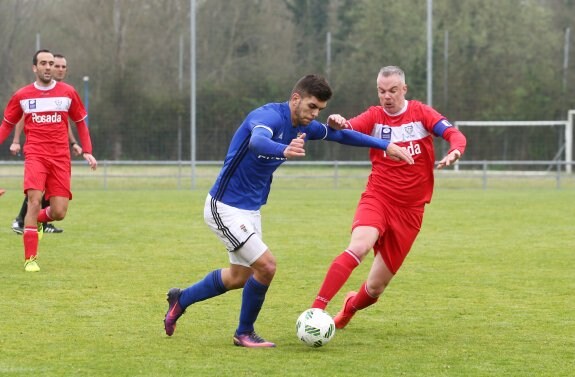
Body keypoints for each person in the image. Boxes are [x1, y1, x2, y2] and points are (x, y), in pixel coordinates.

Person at [163, 74, 414, 348]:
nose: (315, 114)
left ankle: (181, 299)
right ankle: (244, 333)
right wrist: (285, 150)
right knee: (267, 266)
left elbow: (342, 136)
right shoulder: (268, 117)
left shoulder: (304, 125)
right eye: (311, 107)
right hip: (224, 206)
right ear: (296, 99)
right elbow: (257, 142)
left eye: (320, 109)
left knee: (239, 277)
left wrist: (385, 145)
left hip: (249, 210)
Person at [310, 66, 467, 329]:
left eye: (393, 90)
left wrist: (455, 150)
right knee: (359, 246)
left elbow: (454, 133)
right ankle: (315, 311)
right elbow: (345, 130)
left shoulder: (421, 113)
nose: (387, 96)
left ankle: (349, 308)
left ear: (403, 89)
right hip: (378, 197)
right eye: (382, 91)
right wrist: (336, 123)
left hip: (411, 211)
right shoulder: (374, 116)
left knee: (374, 288)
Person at [0, 49, 98, 272]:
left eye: (51, 63)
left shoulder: (68, 93)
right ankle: (30, 258)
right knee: (34, 201)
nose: (48, 67)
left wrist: (87, 151)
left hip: (60, 158)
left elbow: (81, 122)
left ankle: (42, 222)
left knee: (59, 212)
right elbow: (7, 123)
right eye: (43, 63)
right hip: (35, 155)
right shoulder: (22, 96)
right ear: (35, 67)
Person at [10, 54, 82, 235]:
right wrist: (16, 140)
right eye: (56, 65)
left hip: (57, 152)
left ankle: (38, 222)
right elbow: (21, 117)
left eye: (63, 66)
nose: (59, 69)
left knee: (53, 201)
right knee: (35, 194)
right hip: (38, 151)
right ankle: (22, 222)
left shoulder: (65, 93)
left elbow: (64, 124)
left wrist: (73, 142)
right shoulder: (33, 93)